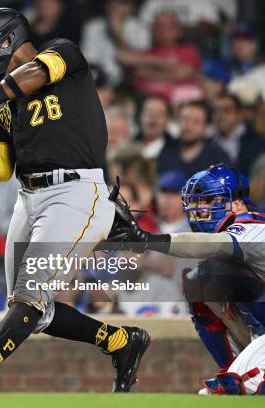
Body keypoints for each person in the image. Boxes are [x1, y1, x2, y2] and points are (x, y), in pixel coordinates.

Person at [0, 8, 149, 395]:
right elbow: (0, 166)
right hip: (29, 197)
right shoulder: (3, 104)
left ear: (8, 39)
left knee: (29, 296)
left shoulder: (62, 53)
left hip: (75, 190)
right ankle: (123, 342)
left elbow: (36, 74)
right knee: (31, 311)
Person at [105, 164, 264, 394]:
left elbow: (207, 244)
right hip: (260, 334)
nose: (201, 208)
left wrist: (146, 238)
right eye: (197, 202)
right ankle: (233, 368)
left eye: (209, 201)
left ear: (237, 203)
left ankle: (241, 377)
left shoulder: (254, 229)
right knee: (200, 279)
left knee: (236, 386)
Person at [120, 11, 201, 103]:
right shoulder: (147, 53)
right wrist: (159, 62)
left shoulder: (189, 51)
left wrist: (150, 73)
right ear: (152, 30)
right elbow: (121, 57)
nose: (163, 30)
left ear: (179, 30)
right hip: (147, 101)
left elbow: (186, 73)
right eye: (159, 26)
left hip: (183, 101)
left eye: (169, 26)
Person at [81, 0, 150, 87]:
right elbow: (89, 62)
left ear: (130, 7)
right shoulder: (93, 27)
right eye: (112, 3)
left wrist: (118, 36)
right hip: (99, 84)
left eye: (122, 3)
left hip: (131, 84)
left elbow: (142, 65)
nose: (116, 7)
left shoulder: (140, 28)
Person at [157, 100, 230, 177]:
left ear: (206, 127)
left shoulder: (217, 158)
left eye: (196, 122)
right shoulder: (167, 150)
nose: (188, 126)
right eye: (185, 119)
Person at [212, 93, 265, 176]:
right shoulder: (207, 141)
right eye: (216, 110)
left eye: (226, 110)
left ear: (240, 114)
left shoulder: (257, 142)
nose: (220, 115)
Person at [136, 96, 171, 160]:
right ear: (140, 117)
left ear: (167, 120)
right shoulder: (129, 144)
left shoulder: (178, 151)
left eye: (159, 114)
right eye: (149, 113)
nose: (153, 118)